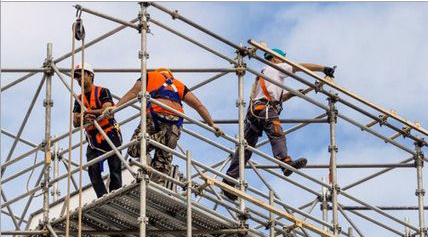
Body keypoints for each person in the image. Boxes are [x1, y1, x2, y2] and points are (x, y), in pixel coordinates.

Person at [222, 48, 336, 200]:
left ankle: (229, 181)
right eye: (281, 59)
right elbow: (299, 67)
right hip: (265, 110)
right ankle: (285, 162)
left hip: (255, 112)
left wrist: (296, 93)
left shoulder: (264, 73)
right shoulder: (277, 67)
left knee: (245, 149)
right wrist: (323, 68)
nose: (283, 62)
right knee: (277, 133)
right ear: (274, 58)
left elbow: (275, 98)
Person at [115, 68, 223, 186]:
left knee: (133, 149)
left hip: (154, 115)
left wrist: (115, 108)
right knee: (162, 163)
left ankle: (162, 137)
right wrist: (212, 125)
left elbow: (133, 92)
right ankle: (156, 187)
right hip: (175, 123)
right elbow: (199, 106)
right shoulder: (179, 85)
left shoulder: (149, 76)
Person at [73, 63, 123, 198]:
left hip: (109, 134)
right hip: (93, 139)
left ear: (90, 75)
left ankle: (116, 196)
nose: (78, 79)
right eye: (76, 77)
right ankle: (103, 197)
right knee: (93, 169)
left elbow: (109, 111)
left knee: (115, 169)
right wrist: (84, 116)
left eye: (81, 75)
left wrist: (91, 112)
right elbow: (75, 122)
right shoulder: (78, 99)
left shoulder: (102, 91)